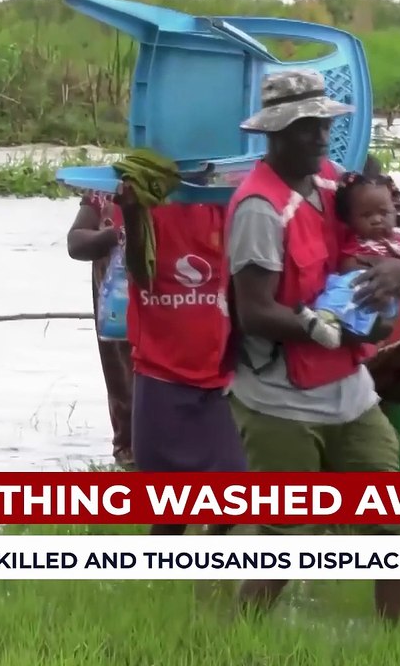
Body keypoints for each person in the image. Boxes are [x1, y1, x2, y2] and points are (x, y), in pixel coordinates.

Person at [226, 69, 400, 622]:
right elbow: (254, 311)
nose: (320, 136)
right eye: (305, 127)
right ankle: (232, 641)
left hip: (348, 391)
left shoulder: (333, 185)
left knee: (394, 529)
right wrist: (320, 328)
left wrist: (399, 266)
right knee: (285, 538)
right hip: (280, 400)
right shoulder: (259, 208)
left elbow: (390, 238)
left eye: (322, 124)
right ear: (275, 133)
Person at [112, 148, 248, 537]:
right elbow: (140, 271)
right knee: (169, 504)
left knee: (233, 489)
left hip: (219, 373)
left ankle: (208, 549)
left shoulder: (228, 203)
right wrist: (134, 212)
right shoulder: (143, 202)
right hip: (161, 371)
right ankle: (163, 567)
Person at [300, 171, 400, 348]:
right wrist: (369, 269)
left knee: (350, 290)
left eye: (384, 212)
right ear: (349, 220)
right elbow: (346, 264)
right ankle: (328, 319)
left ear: (395, 209)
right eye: (366, 215)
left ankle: (330, 320)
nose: (376, 220)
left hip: (388, 298)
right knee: (341, 283)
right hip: (361, 291)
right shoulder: (355, 242)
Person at [66, 192, 134, 470]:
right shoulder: (103, 191)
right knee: (124, 387)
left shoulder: (195, 188)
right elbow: (75, 243)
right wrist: (115, 235)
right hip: (118, 313)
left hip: (176, 307)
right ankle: (129, 456)